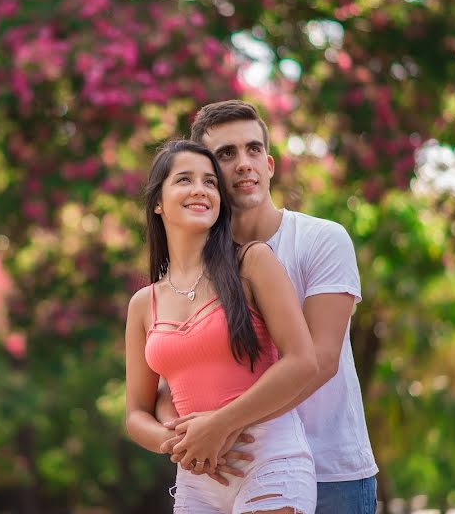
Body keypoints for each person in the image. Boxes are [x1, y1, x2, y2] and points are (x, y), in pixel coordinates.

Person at [157, 100, 379, 514]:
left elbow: (322, 359)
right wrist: (189, 438)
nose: (244, 163)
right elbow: (174, 381)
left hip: (332, 472)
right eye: (226, 154)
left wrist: (223, 426)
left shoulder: (322, 240)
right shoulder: (194, 272)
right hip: (231, 473)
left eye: (253, 149)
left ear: (270, 164)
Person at [124, 139, 320, 514]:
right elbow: (137, 413)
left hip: (268, 457)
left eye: (210, 182)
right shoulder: (142, 304)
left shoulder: (253, 262)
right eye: (185, 179)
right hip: (197, 469)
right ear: (157, 202)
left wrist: (219, 424)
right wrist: (179, 441)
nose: (200, 189)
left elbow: (302, 361)